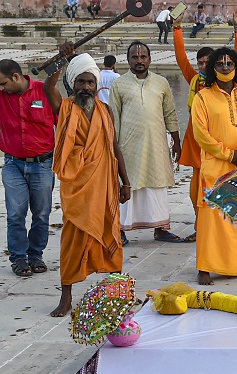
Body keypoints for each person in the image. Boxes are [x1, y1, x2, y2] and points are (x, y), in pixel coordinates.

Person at [45, 52, 130, 317]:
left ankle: (117, 292)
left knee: (110, 233)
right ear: (73, 84)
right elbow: (48, 86)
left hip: (103, 185)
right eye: (80, 82)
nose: (85, 87)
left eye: (90, 82)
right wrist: (62, 59)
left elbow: (115, 146)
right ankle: (66, 297)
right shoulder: (65, 108)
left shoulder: (105, 111)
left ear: (96, 85)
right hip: (77, 188)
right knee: (72, 240)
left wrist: (125, 182)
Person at [191, 48, 237, 285]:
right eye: (220, 63)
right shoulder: (203, 97)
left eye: (229, 62)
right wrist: (230, 154)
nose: (225, 67)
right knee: (212, 219)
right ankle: (205, 267)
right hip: (216, 166)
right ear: (212, 67)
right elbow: (201, 135)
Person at [0, 59, 57, 278]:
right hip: (13, 164)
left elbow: (63, 124)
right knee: (15, 213)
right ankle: (18, 258)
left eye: (4, 83)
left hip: (43, 165)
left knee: (41, 213)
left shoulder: (44, 92)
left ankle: (35, 254)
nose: (1, 88)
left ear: (16, 77)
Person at [108, 41, 182, 244]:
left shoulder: (161, 83)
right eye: (135, 57)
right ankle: (120, 229)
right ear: (128, 59)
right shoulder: (119, 84)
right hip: (128, 146)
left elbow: (170, 113)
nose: (139, 60)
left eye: (143, 57)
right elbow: (113, 118)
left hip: (157, 144)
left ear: (150, 59)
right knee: (127, 184)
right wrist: (113, 148)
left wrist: (176, 141)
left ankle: (161, 229)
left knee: (157, 185)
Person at [174, 17, 214, 240]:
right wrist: (177, 28)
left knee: (214, 189)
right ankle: (200, 228)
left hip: (217, 143)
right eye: (201, 62)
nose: (204, 66)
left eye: (208, 61)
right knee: (195, 191)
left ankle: (213, 228)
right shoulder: (195, 80)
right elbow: (181, 60)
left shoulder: (224, 82)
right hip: (196, 140)